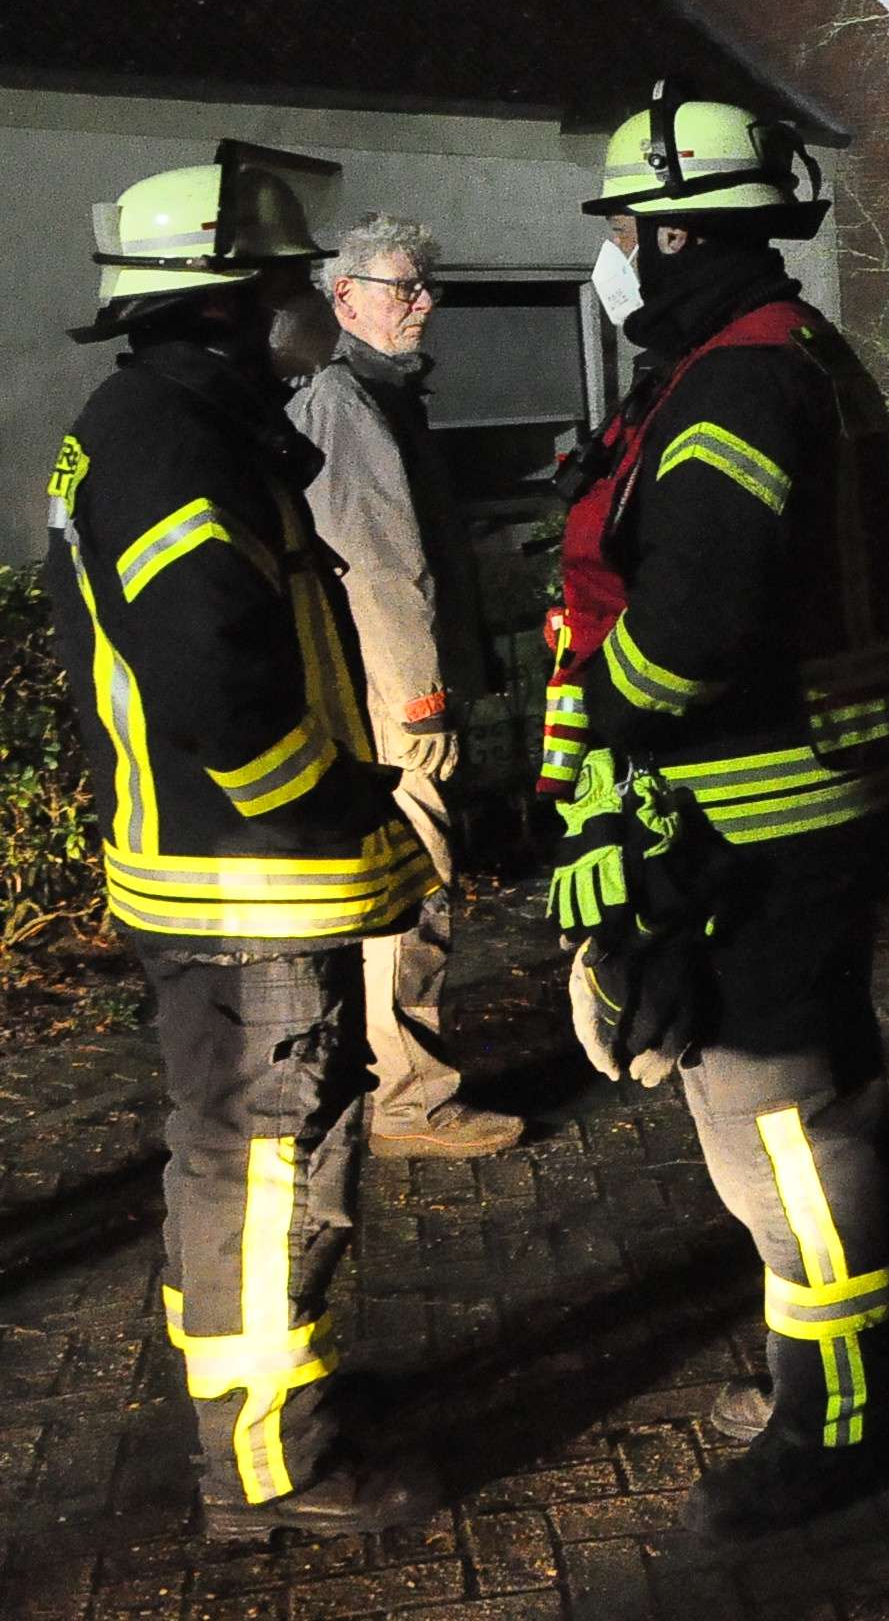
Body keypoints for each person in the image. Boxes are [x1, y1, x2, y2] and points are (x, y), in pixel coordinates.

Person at [542, 84, 889, 1537]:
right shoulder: (769, 357)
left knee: (777, 1122)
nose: (623, 255)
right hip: (797, 806)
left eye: (633, 229)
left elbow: (693, 629)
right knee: (822, 1106)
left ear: (667, 232)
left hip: (758, 819)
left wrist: (613, 737)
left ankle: (841, 1424)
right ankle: (850, 1368)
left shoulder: (736, 381)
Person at [43, 150, 442, 1539]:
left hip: (229, 876)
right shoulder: (173, 444)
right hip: (245, 882)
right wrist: (335, 800)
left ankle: (266, 1417)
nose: (310, 302)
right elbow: (217, 684)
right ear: (224, 302)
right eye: (287, 283)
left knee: (246, 1168)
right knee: (267, 1175)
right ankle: (274, 1473)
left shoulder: (165, 422)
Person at [285, 214, 520, 1158]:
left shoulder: (377, 396)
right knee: (414, 884)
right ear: (345, 298)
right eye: (400, 287)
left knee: (395, 885)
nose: (422, 302)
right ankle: (407, 1098)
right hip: (392, 695)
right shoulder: (348, 403)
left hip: (388, 686)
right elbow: (378, 567)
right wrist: (422, 700)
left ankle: (379, 1079)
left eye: (426, 286)